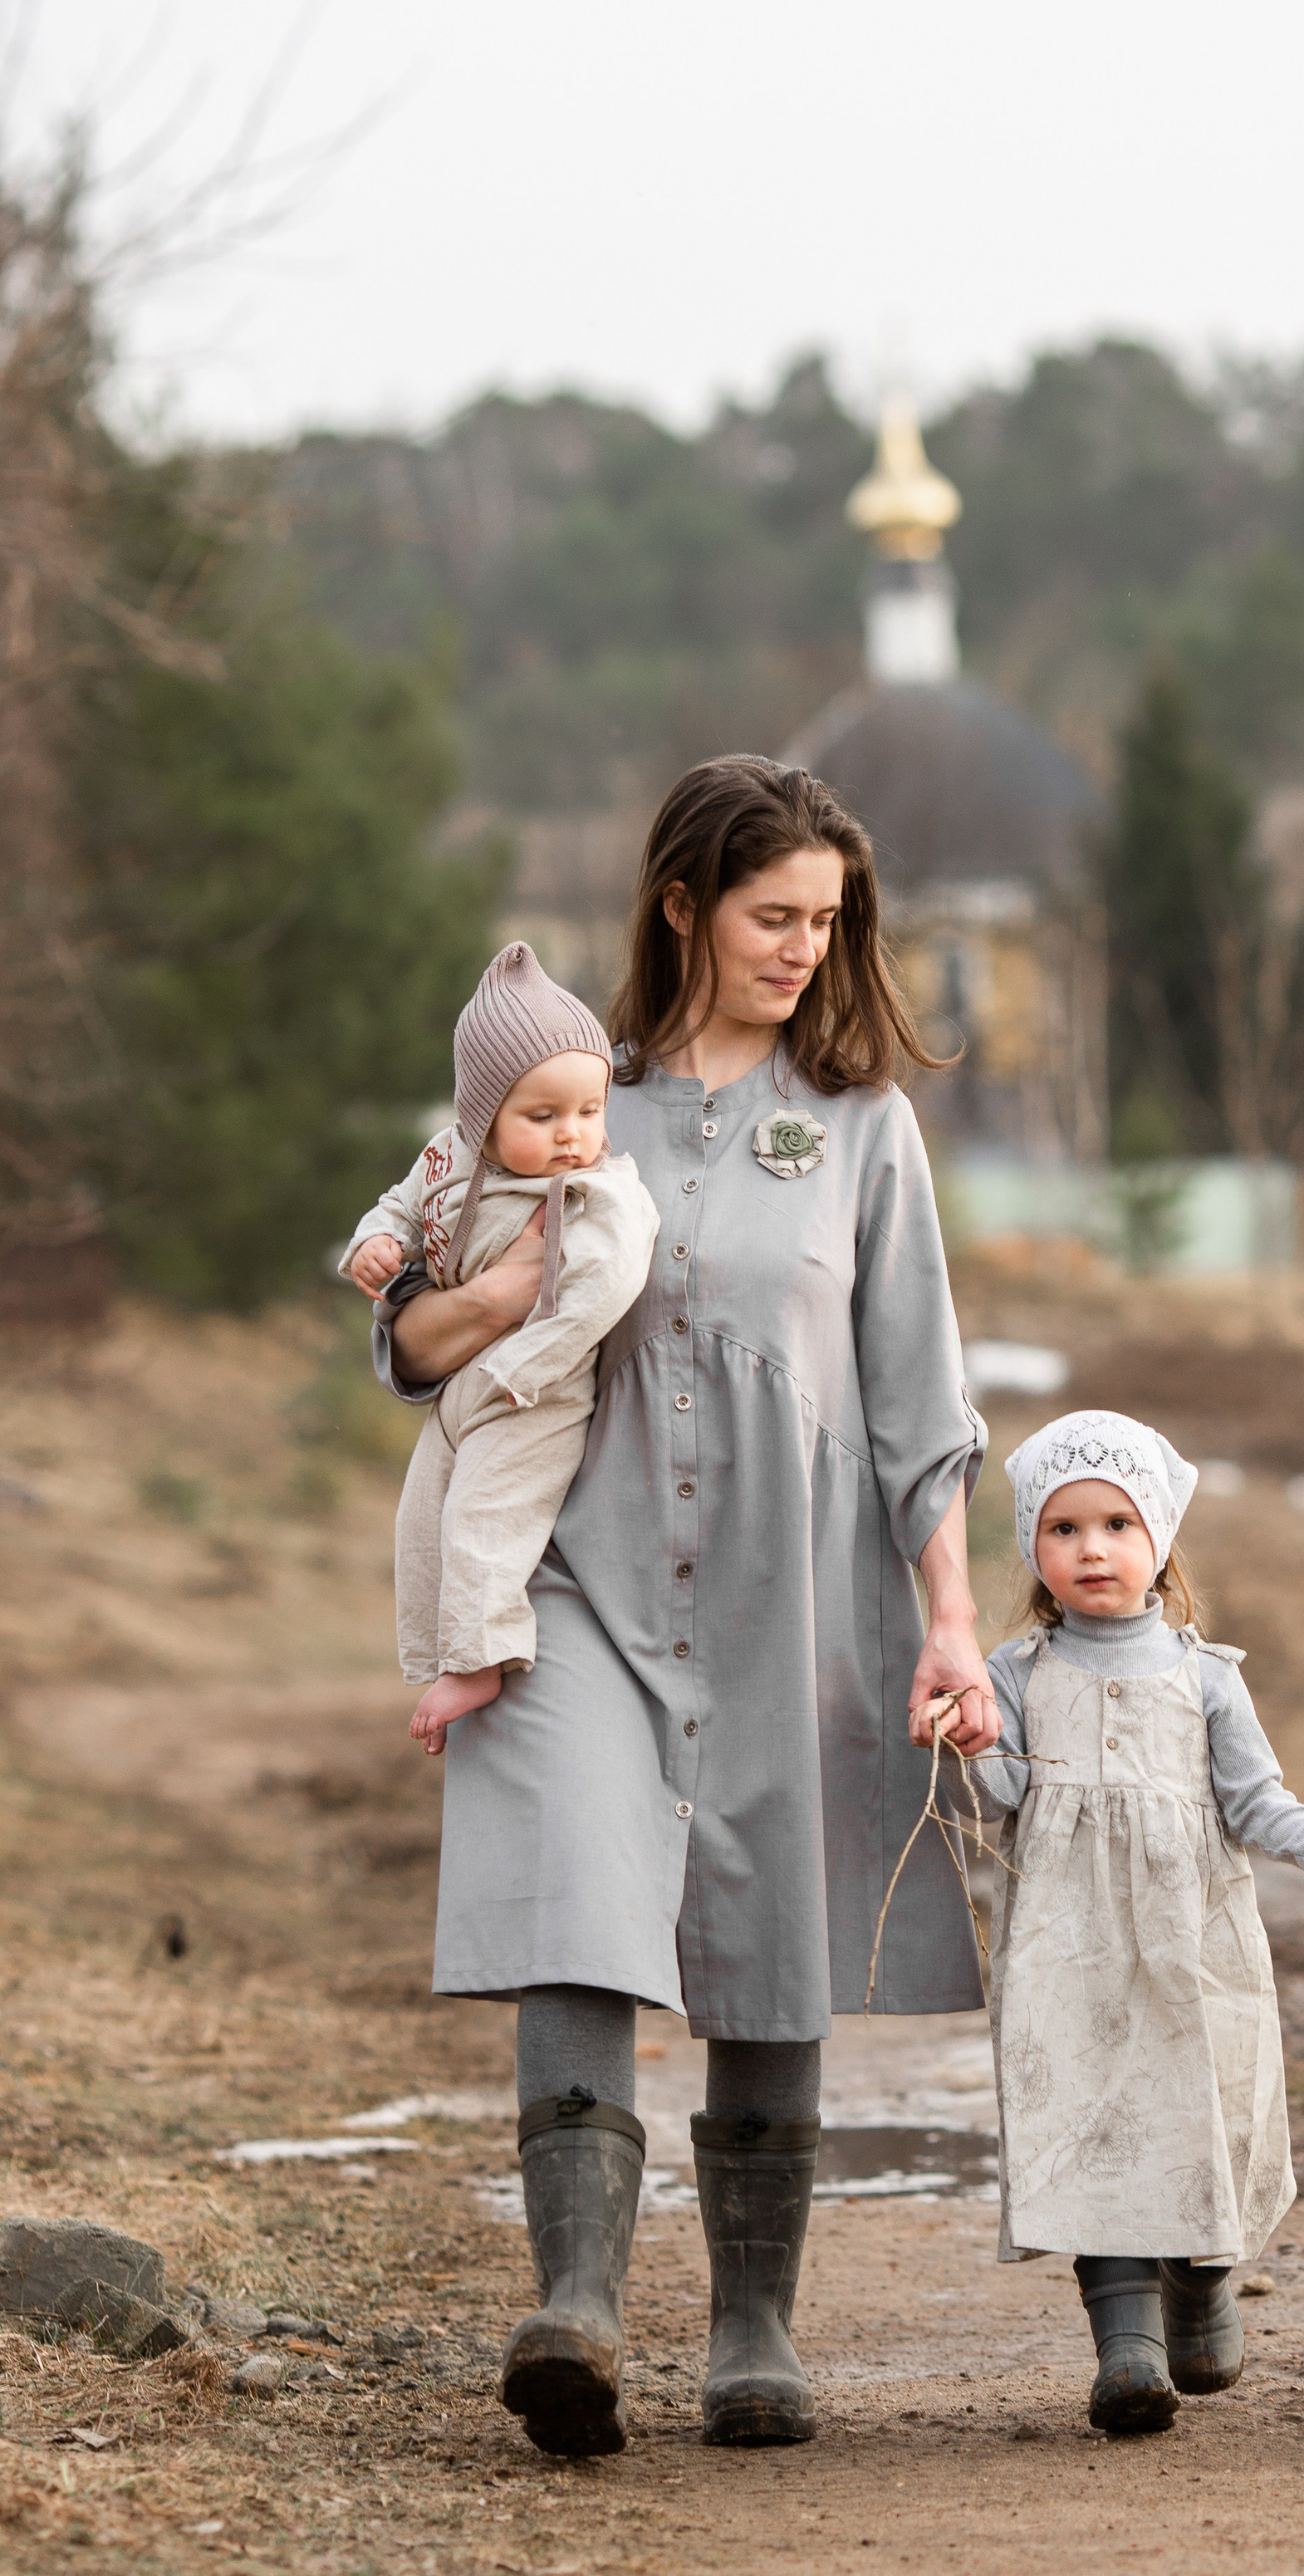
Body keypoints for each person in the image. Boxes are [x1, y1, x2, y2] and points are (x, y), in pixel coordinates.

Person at [369, 758, 1000, 2461]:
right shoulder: (572, 1096)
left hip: (791, 1595)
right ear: (679, 905)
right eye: (772, 914)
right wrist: (498, 1284)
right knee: (577, 1899)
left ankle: (751, 2326)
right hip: (574, 1571)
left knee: (767, 1934)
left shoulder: (860, 1125)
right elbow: (409, 1337)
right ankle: (574, 2304)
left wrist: (947, 1618)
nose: (805, 946)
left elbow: (914, 1400)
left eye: (825, 919)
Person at [978, 1408, 1304, 2437]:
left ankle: (1199, 2279)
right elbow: (999, 1792)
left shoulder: (1206, 1674)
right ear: (1032, 1548)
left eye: (1115, 1524)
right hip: (1068, 1947)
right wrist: (967, 1735)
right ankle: (1127, 2345)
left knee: (1200, 2110)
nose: (1091, 1547)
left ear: (1160, 1542)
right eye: (1062, 1529)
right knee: (1093, 2117)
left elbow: (1257, 1800)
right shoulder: (1015, 1673)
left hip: (1192, 1944)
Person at [340, 943, 659, 1744]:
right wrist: (375, 1244)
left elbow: (602, 1288)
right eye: (543, 1116)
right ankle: (436, 1652)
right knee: (425, 1517)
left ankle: (483, 1657)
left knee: (487, 1511)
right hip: (460, 1389)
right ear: (482, 1113)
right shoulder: (447, 1158)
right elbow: (398, 1209)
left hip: (537, 1392)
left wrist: (523, 1370)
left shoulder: (596, 1190)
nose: (571, 1135)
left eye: (590, 1112)